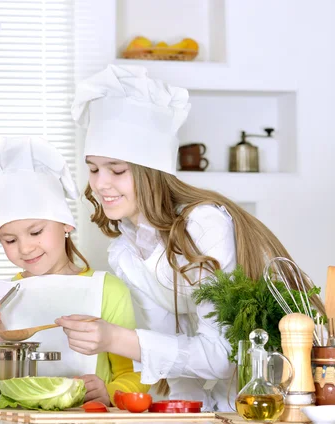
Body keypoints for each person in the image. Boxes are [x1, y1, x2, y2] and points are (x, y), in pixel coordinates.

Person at [55, 64, 324, 411]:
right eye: (93, 168)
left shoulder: (203, 225)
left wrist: (115, 338)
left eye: (117, 170)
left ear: (152, 173)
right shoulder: (126, 248)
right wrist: (178, 413)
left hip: (270, 400)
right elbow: (172, 356)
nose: (100, 183)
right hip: (215, 409)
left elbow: (224, 354)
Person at [0, 136, 150, 406]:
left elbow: (134, 374)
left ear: (66, 224)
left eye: (36, 232)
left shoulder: (107, 290)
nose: (26, 248)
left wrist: (110, 392)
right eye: (10, 240)